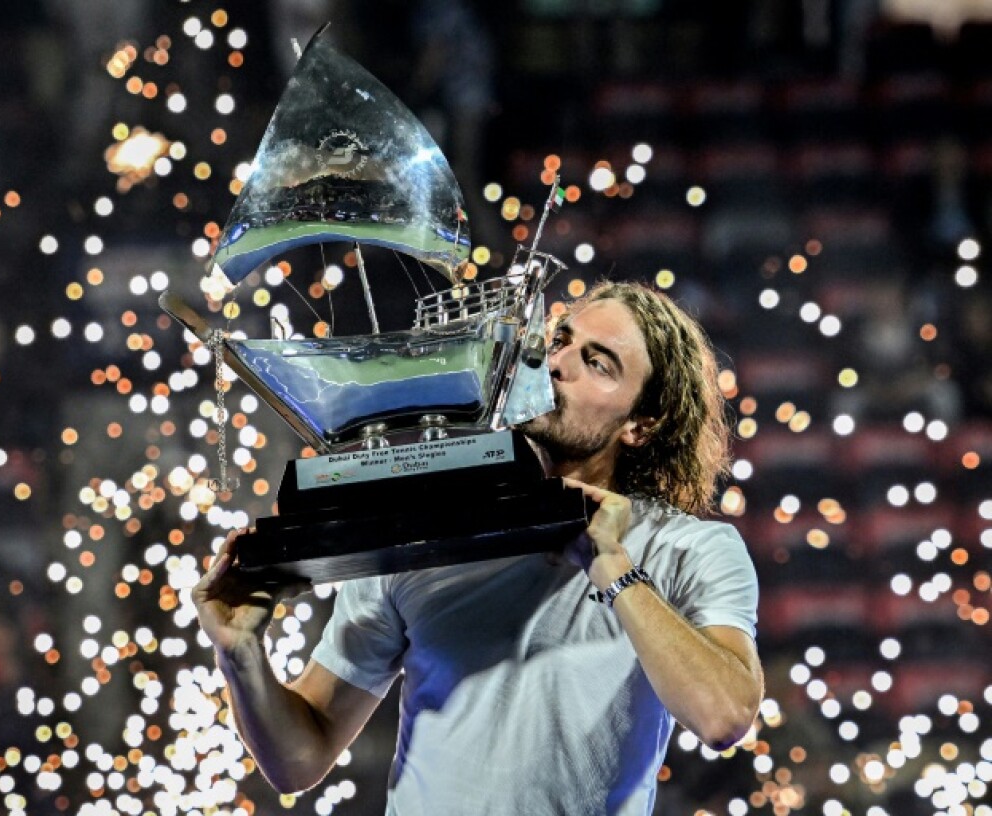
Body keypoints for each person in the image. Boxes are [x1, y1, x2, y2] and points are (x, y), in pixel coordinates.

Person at [194, 281, 763, 814]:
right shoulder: (417, 530)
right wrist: (240, 654)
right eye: (559, 341)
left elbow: (723, 717)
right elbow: (299, 759)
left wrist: (611, 566)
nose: (557, 364)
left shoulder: (691, 548)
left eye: (597, 363)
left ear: (642, 423)